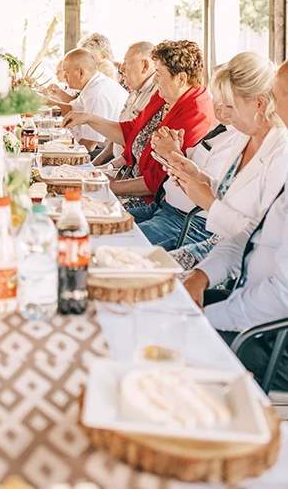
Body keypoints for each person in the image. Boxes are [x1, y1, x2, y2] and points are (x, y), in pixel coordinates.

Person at [182, 59, 288, 393]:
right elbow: (251, 236)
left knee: (159, 339)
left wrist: (209, 319)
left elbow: (281, 297)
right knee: (160, 302)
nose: (272, 101)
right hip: (247, 302)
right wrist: (201, 276)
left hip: (271, 341)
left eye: (279, 93)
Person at [148, 53, 288, 259]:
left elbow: (263, 237)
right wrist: (198, 176)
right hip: (221, 246)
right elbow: (230, 193)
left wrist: (207, 201)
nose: (223, 113)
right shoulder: (243, 136)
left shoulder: (280, 153)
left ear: (259, 103)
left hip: (239, 256)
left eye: (230, 106)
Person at [64, 40, 216, 205]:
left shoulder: (196, 112)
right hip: (126, 176)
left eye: (159, 73)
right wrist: (88, 118)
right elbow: (131, 131)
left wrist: (113, 186)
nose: (155, 80)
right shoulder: (163, 96)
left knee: (75, 204)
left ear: (181, 78)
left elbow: (161, 179)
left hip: (150, 201)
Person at [93, 41, 157, 166]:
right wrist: (97, 163)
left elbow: (137, 142)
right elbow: (119, 137)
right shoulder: (135, 89)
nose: (121, 68)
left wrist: (87, 119)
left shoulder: (157, 95)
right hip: (118, 165)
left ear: (145, 65)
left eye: (126, 63)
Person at [60, 49, 127, 154]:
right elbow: (72, 109)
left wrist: (61, 151)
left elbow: (89, 144)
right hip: (103, 149)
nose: (64, 77)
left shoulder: (96, 94)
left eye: (67, 72)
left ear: (81, 72)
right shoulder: (94, 84)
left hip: (105, 153)